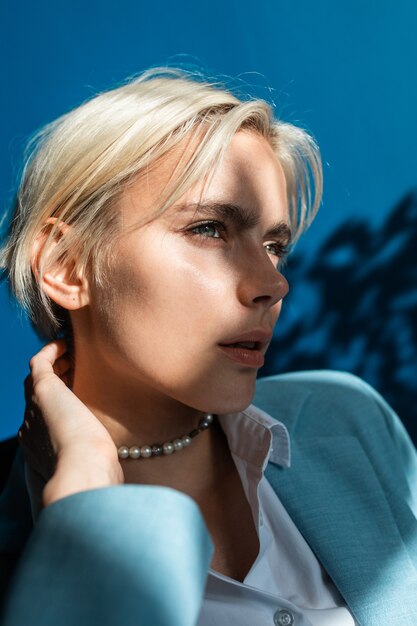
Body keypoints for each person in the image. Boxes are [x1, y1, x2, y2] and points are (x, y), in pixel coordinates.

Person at [0, 67, 416, 626]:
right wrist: (87, 502)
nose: (273, 283)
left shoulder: (349, 416)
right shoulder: (27, 542)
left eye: (275, 245)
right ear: (67, 267)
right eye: (210, 229)